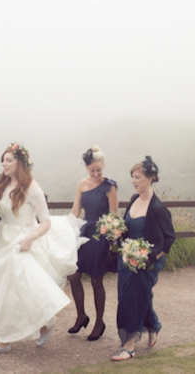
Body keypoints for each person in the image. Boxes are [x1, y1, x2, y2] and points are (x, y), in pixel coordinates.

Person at [0, 143, 86, 356]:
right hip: (2, 238)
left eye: (9, 160)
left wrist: (29, 239)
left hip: (23, 240)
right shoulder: (2, 185)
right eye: (3, 160)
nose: (4, 164)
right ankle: (5, 339)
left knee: (20, 290)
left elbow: (45, 222)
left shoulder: (32, 187)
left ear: (20, 163)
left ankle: (39, 326)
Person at [112, 156, 176, 361]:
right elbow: (126, 227)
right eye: (132, 177)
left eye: (137, 177)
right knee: (132, 296)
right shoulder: (133, 199)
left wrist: (150, 258)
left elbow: (169, 238)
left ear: (150, 178)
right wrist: (116, 232)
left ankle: (128, 346)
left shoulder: (157, 208)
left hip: (146, 263)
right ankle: (154, 325)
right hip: (126, 260)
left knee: (133, 299)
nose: (133, 181)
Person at [67, 146, 118, 341]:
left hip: (101, 236)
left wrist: (111, 243)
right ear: (87, 168)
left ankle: (99, 322)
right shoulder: (81, 184)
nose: (96, 174)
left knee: (96, 280)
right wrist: (63, 227)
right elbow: (75, 212)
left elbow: (114, 216)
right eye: (92, 170)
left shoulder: (110, 187)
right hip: (84, 233)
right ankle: (81, 315)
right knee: (73, 276)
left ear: (104, 166)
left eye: (99, 170)